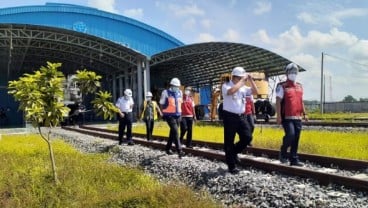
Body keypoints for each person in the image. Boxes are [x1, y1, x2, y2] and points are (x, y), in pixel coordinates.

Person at [222, 67, 258, 174]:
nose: (243, 80)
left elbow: (255, 91)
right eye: (241, 78)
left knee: (247, 137)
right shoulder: (226, 85)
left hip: (241, 116)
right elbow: (231, 91)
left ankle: (233, 152)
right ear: (235, 77)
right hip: (229, 116)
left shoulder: (243, 87)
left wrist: (251, 80)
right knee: (229, 141)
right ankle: (231, 166)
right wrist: (242, 81)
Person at [276, 63, 308, 166]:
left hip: (297, 116)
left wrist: (305, 113)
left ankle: (294, 159)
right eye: (291, 72)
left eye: (295, 72)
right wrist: (279, 116)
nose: (293, 74)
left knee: (296, 138)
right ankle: (283, 151)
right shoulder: (282, 86)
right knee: (290, 135)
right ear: (286, 73)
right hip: (287, 117)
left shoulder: (300, 86)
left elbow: (301, 100)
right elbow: (278, 101)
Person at [159, 77, 184, 158]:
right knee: (176, 132)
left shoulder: (180, 92)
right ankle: (179, 150)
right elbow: (161, 103)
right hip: (169, 116)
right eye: (175, 86)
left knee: (172, 133)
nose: (176, 88)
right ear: (171, 85)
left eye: (177, 86)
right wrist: (162, 113)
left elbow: (180, 103)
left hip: (178, 115)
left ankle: (167, 148)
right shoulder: (165, 92)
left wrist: (181, 114)